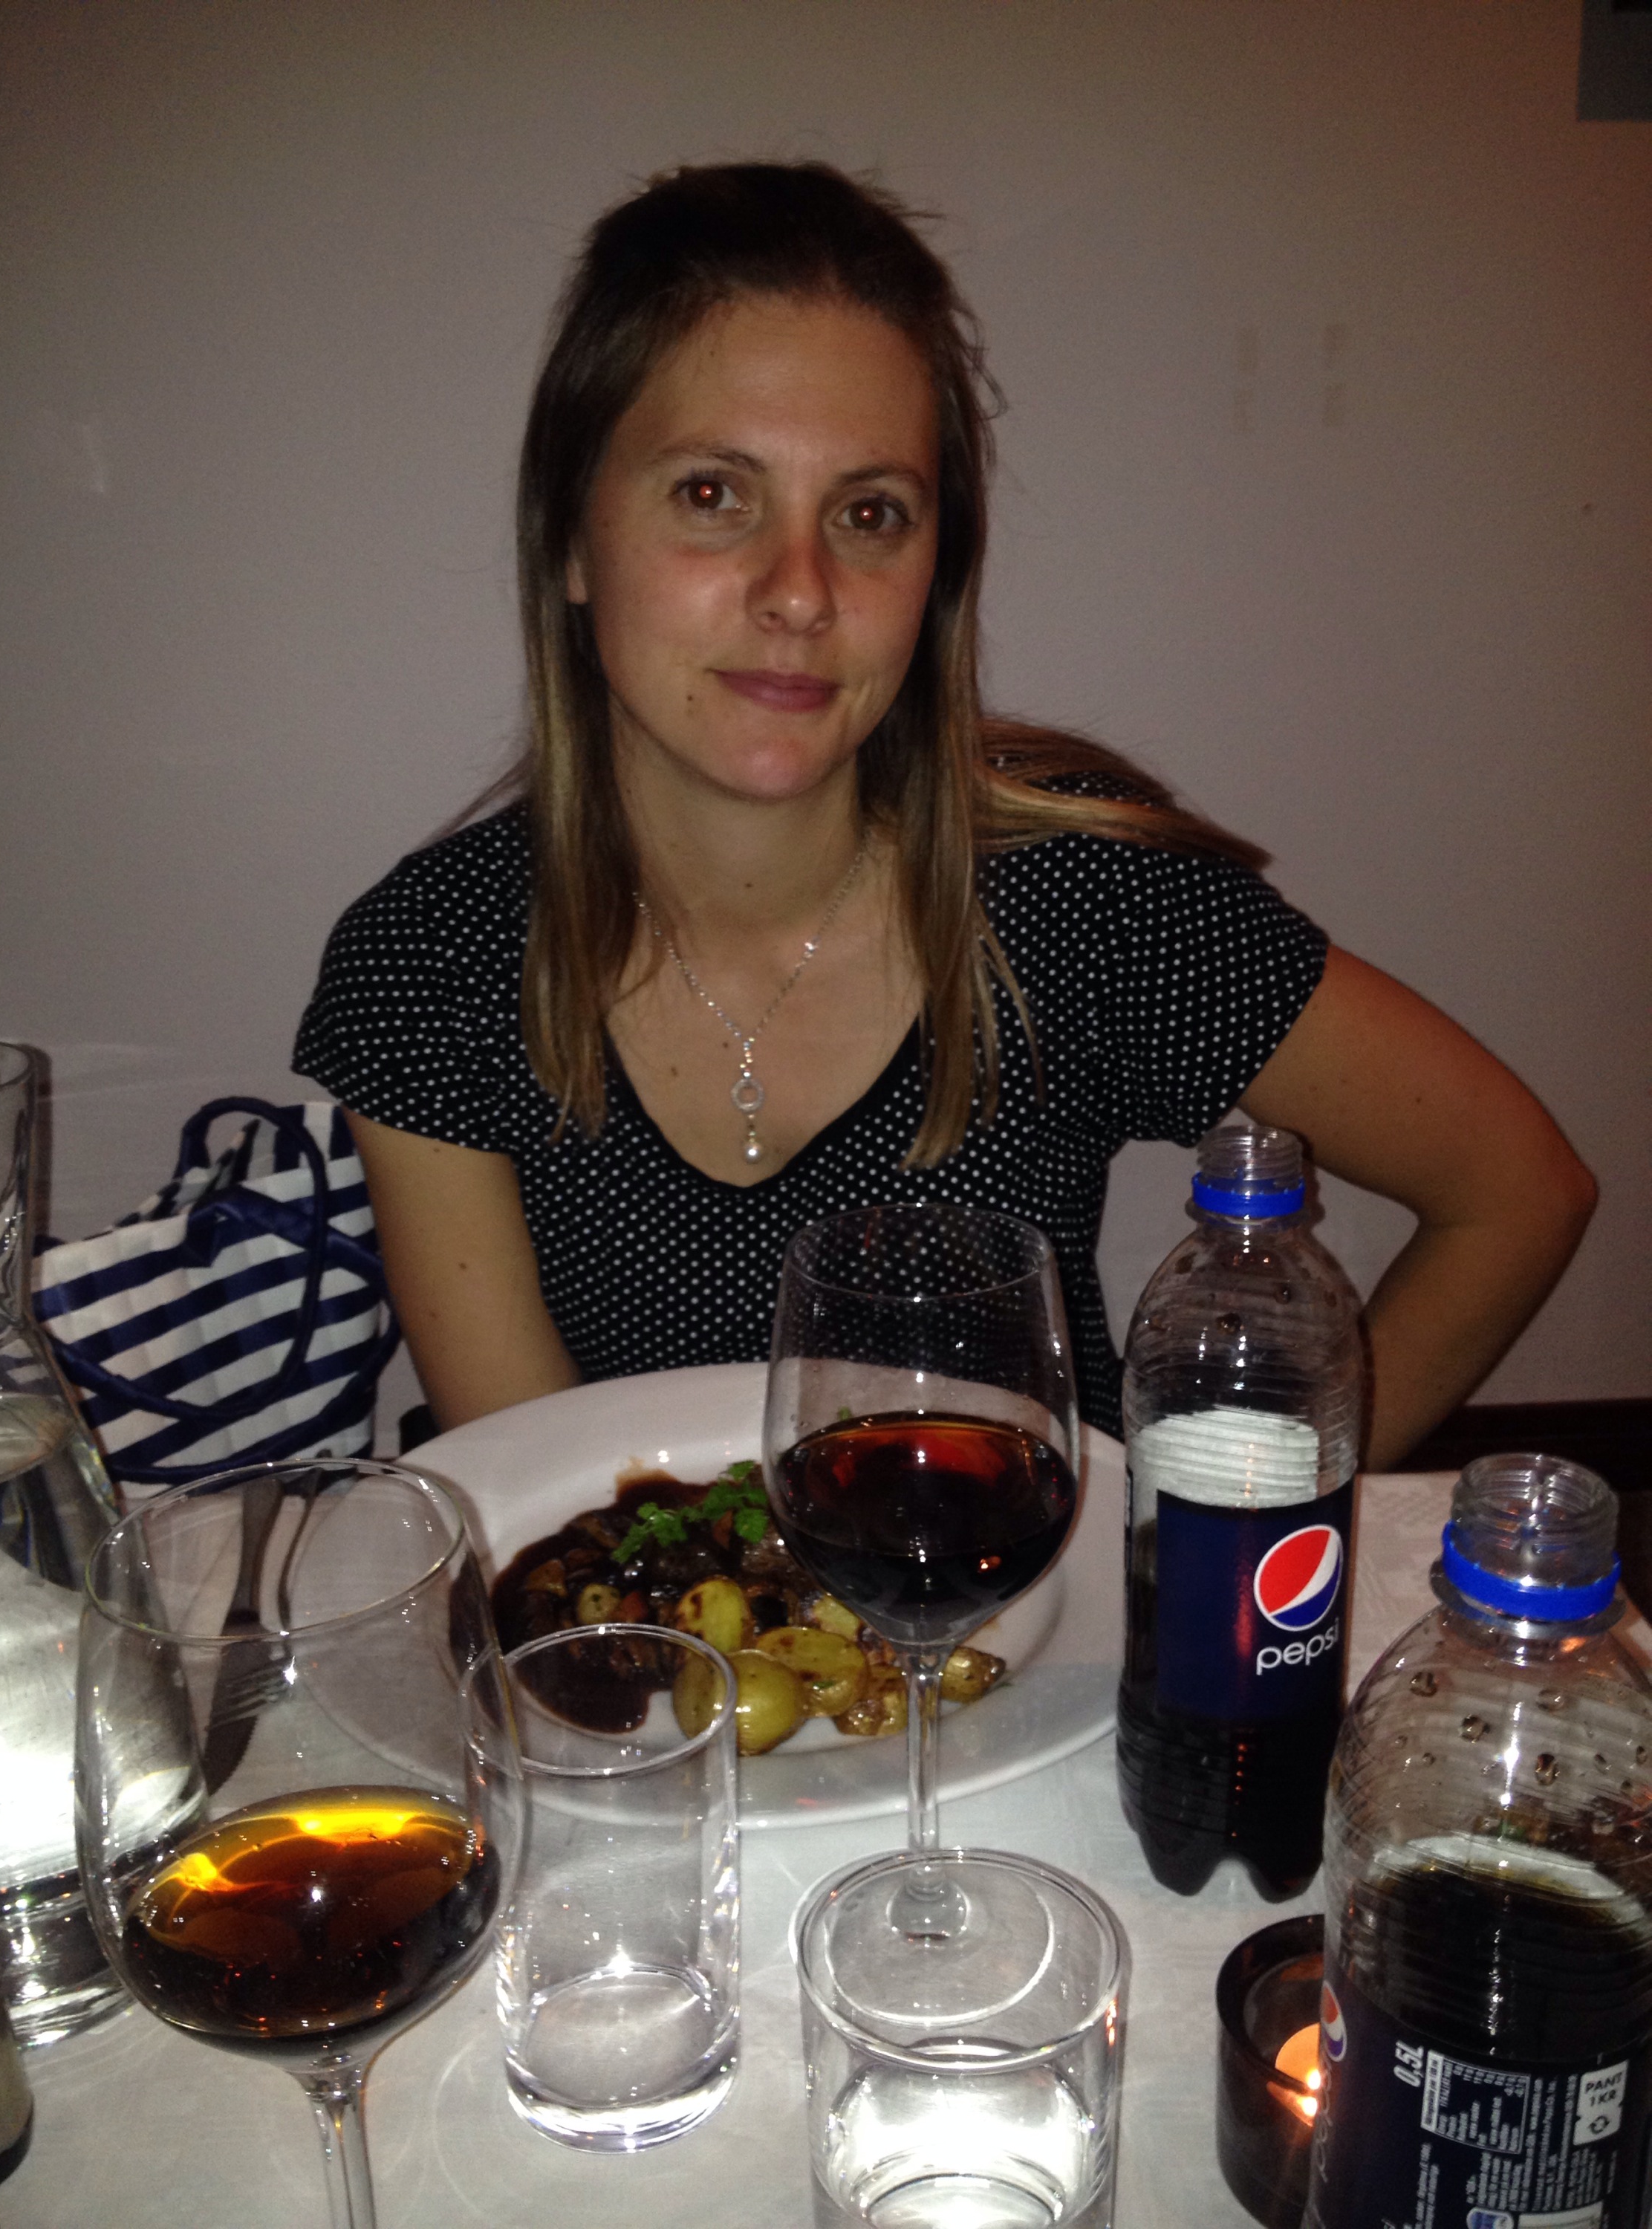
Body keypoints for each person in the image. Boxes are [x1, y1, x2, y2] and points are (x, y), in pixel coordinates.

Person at [294, 160, 1595, 1466]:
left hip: (1036, 1590)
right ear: (573, 540)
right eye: (712, 494)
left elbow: (1515, 1193)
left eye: (870, 514)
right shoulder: (427, 963)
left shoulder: (1086, 900)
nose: (799, 592)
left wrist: (1238, 1532)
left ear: (935, 572)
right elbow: (534, 1487)